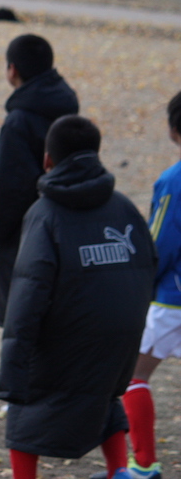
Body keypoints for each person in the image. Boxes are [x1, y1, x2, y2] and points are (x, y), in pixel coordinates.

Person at [0, 115, 156, 479]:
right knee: (102, 394)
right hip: (120, 340)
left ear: (47, 160)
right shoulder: (124, 208)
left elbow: (28, 294)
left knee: (24, 408)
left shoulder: (44, 215)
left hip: (65, 342)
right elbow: (149, 266)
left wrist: (12, 374)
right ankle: (119, 471)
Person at [93, 91, 181, 479]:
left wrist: (141, 280)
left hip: (173, 299)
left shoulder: (173, 181)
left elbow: (160, 242)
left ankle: (144, 465)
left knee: (132, 376)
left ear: (173, 130)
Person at [0, 34, 78, 327]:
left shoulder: (19, 120)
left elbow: (12, 184)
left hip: (25, 230)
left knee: (19, 320)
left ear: (12, 70)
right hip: (67, 223)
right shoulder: (66, 107)